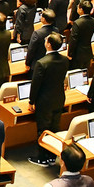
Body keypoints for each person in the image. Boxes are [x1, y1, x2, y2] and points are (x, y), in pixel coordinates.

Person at [28, 33, 69, 166]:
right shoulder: (64, 60)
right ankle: (52, 156)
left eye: (46, 40)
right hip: (59, 98)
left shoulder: (42, 63)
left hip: (44, 101)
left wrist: (31, 101)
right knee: (54, 128)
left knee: (43, 129)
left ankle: (42, 158)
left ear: (48, 44)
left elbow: (36, 85)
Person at [67, 0, 94, 70]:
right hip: (88, 52)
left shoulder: (77, 23)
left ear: (81, 10)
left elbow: (73, 40)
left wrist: (70, 54)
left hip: (78, 54)